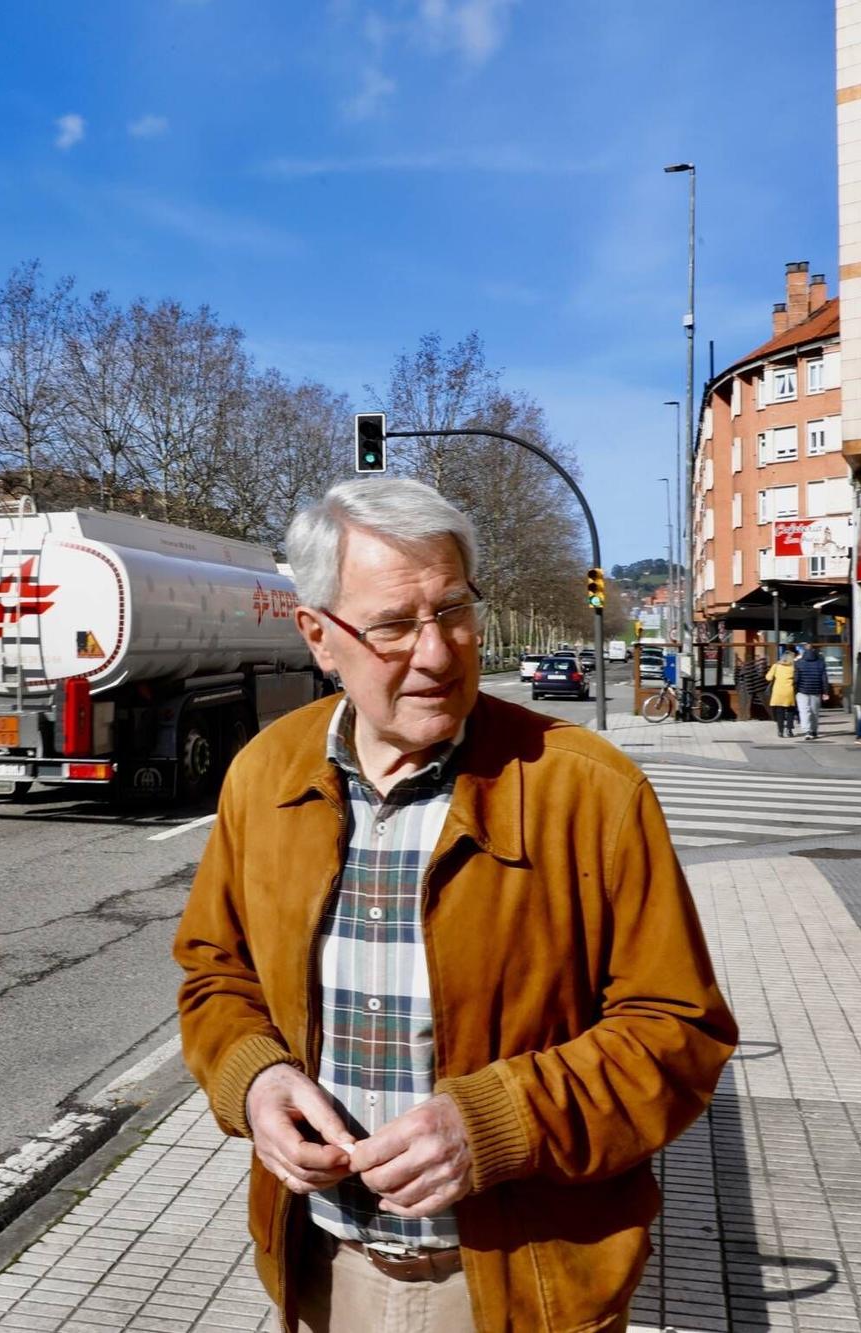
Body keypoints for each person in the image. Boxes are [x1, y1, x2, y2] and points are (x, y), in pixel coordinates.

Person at [174, 477, 737, 1333]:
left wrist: (500, 1122)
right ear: (319, 637)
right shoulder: (264, 772)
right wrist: (252, 1079)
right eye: (395, 625)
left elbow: (679, 1031)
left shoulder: (588, 789)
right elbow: (214, 972)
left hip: (521, 1286)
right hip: (324, 1269)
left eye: (454, 611)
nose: (437, 653)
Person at [793, 643, 828, 740]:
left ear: (803, 651)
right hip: (816, 690)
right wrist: (825, 691)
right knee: (814, 711)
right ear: (814, 650)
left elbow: (796, 679)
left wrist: (794, 690)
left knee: (804, 711)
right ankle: (814, 730)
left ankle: (807, 731)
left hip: (802, 690)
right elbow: (824, 678)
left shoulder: (798, 663)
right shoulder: (821, 662)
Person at [766, 645, 798, 737]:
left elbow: (768, 678)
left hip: (778, 692)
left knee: (780, 712)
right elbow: (796, 679)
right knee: (790, 711)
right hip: (789, 692)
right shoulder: (793, 667)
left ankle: (780, 731)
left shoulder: (776, 666)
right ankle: (789, 730)